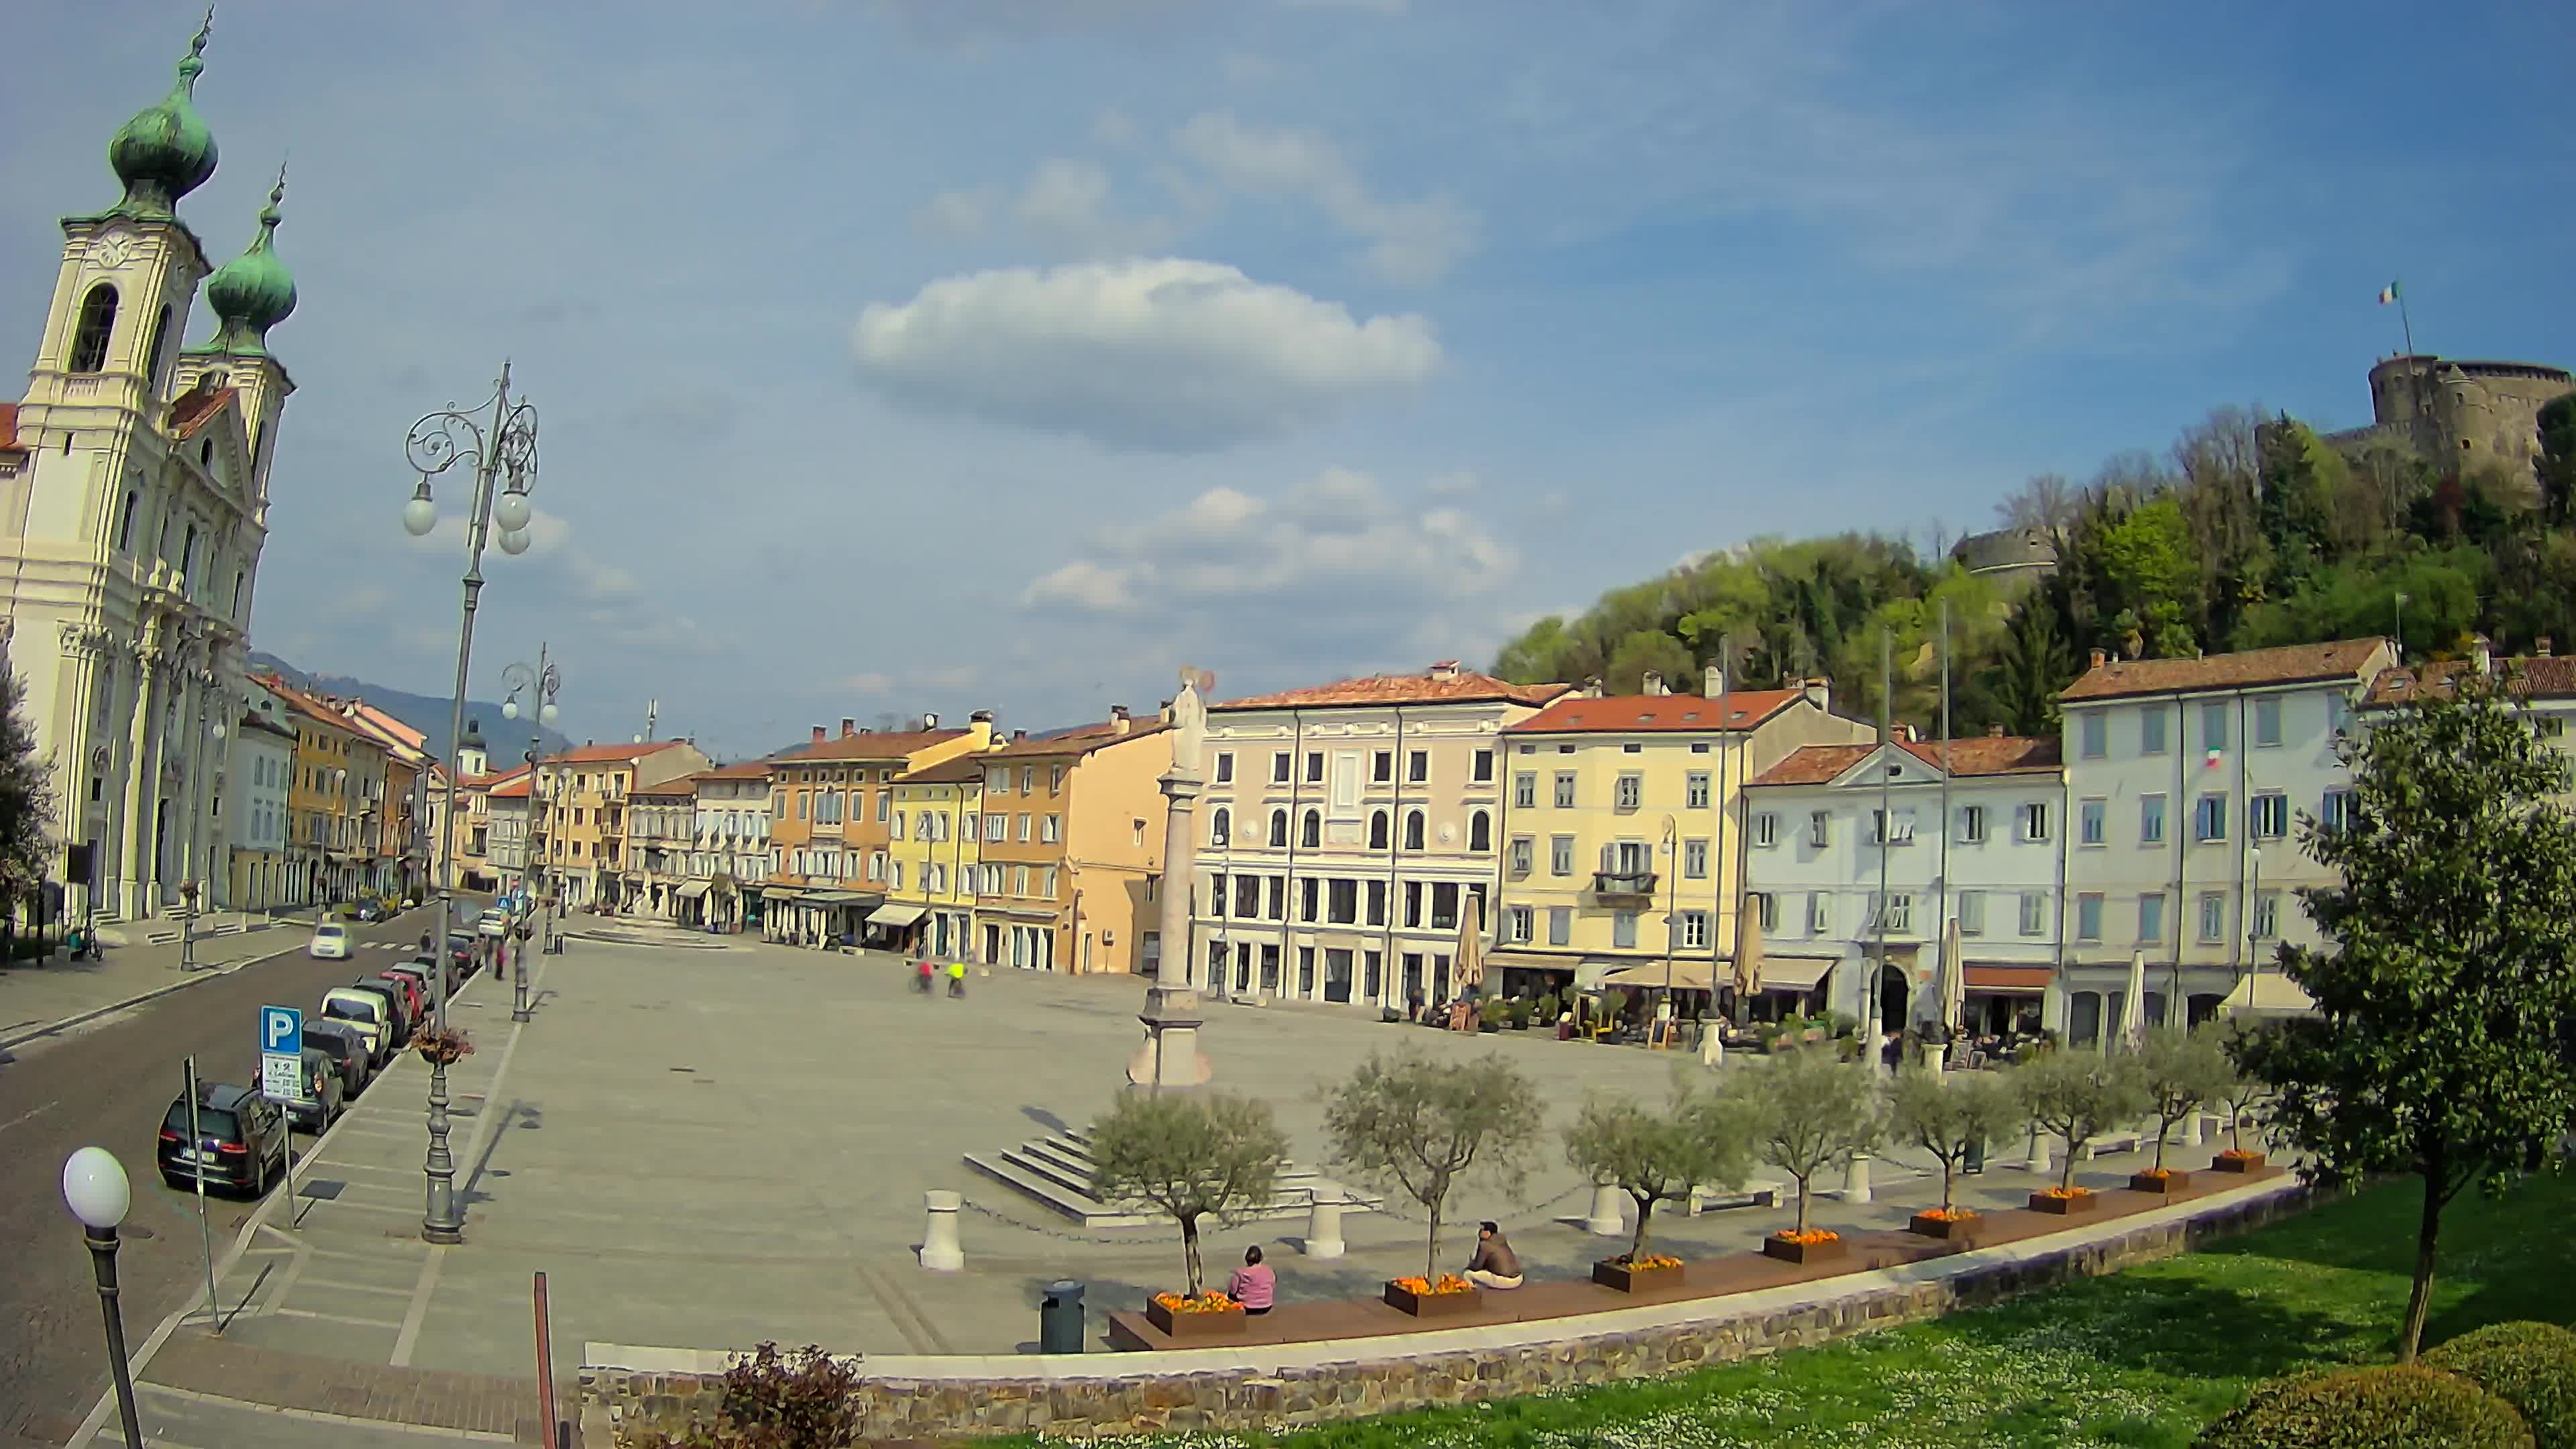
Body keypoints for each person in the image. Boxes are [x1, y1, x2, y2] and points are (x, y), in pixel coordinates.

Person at [1462, 1220, 1522, 1291]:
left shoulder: (1485, 1245)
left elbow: (1477, 1267)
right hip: (1519, 1279)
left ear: (1488, 1233)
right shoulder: (1502, 1239)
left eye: (1482, 1230)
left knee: (1467, 1274)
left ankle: (1473, 1293)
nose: (1480, 1232)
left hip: (1506, 1282)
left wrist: (1470, 1264)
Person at [1227, 1245, 1275, 1316]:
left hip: (1247, 1308)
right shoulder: (1269, 1271)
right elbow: (1272, 1286)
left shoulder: (1240, 1272)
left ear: (1246, 1258)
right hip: (1266, 1307)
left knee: (1230, 1295)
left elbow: (1233, 1291)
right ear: (1261, 1258)